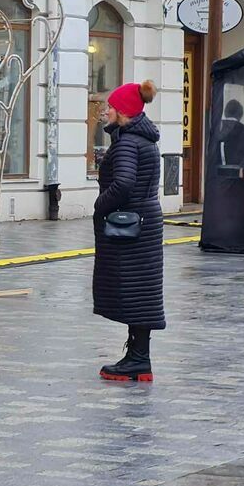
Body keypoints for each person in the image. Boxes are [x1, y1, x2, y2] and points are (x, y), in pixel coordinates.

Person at [92, 80, 164, 382]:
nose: (106, 111)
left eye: (110, 106)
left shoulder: (127, 144)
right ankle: (138, 357)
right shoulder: (145, 140)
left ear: (122, 111)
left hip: (129, 227)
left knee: (132, 291)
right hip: (146, 223)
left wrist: (100, 205)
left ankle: (137, 359)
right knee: (142, 294)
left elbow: (123, 184)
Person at [217, 98, 244, 166]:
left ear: (225, 112)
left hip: (216, 173)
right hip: (238, 173)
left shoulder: (217, 128)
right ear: (240, 115)